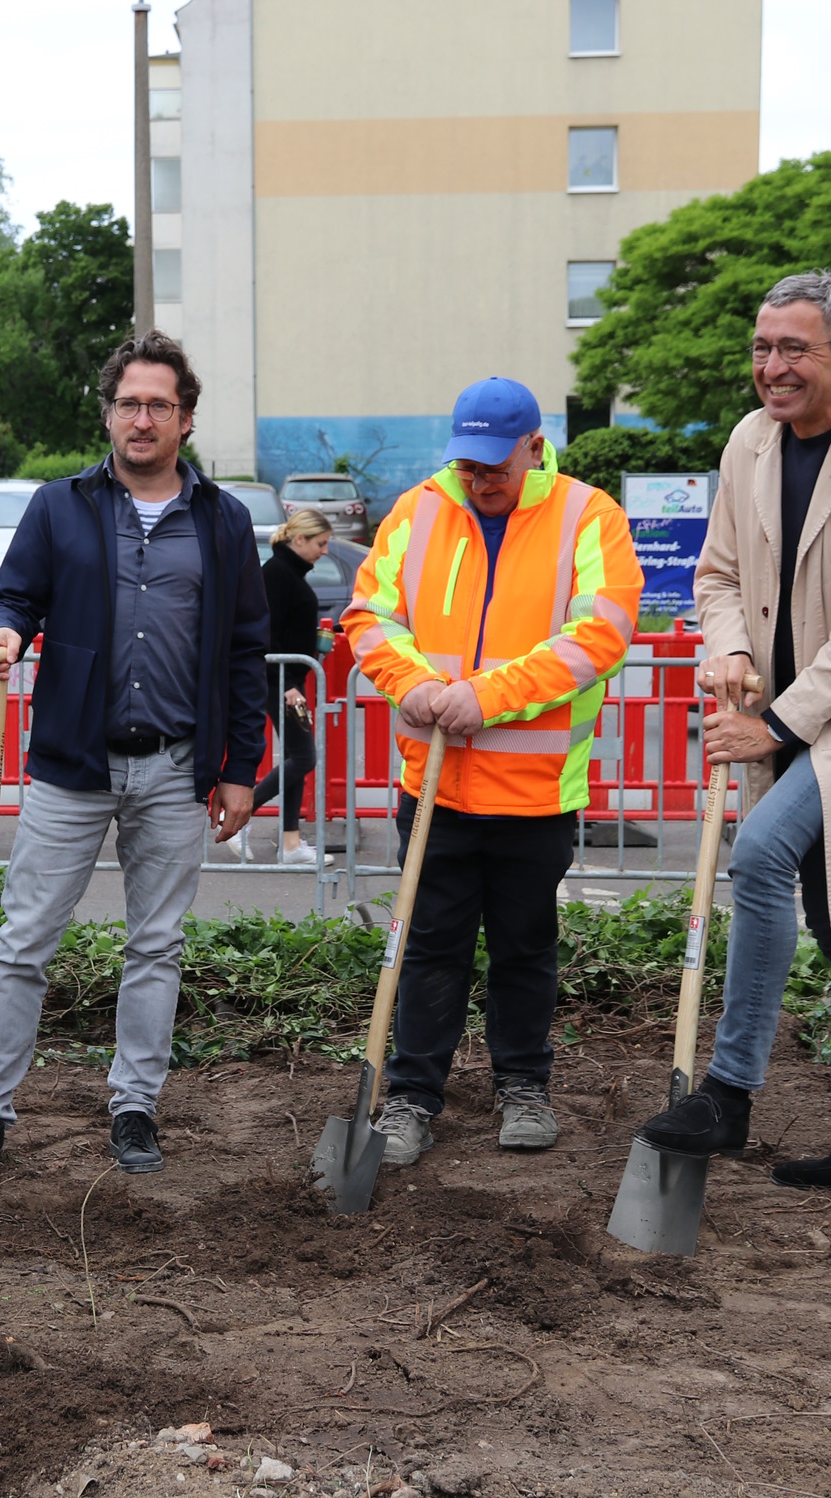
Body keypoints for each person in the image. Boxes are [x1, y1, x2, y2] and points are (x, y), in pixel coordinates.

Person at [634, 273, 831, 1195]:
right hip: (785, 706)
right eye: (761, 348)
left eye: (795, 350)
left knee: (761, 857)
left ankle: (728, 1094)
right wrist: (731, 652)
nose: (771, 369)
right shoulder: (750, 442)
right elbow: (720, 575)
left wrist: (770, 722)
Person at [0, 331, 269, 1176]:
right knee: (24, 941)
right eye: (129, 403)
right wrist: (2, 633)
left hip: (177, 768)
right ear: (109, 413)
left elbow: (247, 649)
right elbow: (14, 594)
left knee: (156, 945)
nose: (142, 419)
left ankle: (134, 1109)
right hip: (71, 764)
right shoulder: (60, 506)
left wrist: (243, 767)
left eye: (158, 405)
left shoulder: (222, 520)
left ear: (186, 418)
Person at [343, 376, 643, 1166]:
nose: (480, 481)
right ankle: (410, 1099)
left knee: (523, 947)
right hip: (433, 786)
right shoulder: (420, 509)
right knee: (431, 947)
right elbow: (368, 618)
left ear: (534, 448)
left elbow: (599, 635)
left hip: (536, 795)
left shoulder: (589, 515)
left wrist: (487, 697)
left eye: (495, 467)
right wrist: (420, 687)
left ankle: (523, 1087)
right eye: (468, 466)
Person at [237, 506, 333, 865]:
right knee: (304, 757)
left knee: (298, 756)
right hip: (280, 681)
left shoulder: (287, 572)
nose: (324, 551)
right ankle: (239, 816)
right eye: (320, 543)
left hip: (288, 679)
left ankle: (291, 844)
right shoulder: (277, 573)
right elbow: (266, 635)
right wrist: (289, 681)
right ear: (299, 539)